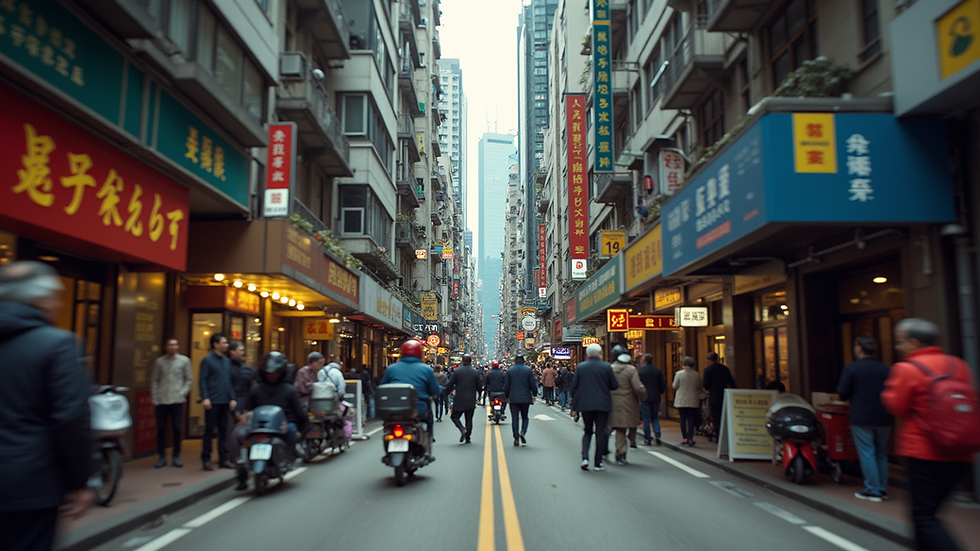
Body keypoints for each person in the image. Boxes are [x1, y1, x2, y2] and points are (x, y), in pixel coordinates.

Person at [0, 261, 93, 550]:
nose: (56, 303)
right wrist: (79, 482)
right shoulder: (56, 344)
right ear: (41, 299)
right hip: (30, 485)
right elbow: (72, 417)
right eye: (54, 296)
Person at [881, 318, 975, 550]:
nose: (898, 346)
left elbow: (897, 406)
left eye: (900, 342)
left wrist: (887, 393)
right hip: (960, 450)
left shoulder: (907, 368)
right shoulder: (958, 366)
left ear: (914, 342)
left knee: (923, 516)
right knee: (930, 513)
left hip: (923, 452)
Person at [235, 351, 310, 491]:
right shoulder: (256, 390)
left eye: (275, 372)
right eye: (269, 373)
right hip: (258, 427)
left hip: (283, 426)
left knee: (292, 430)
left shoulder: (290, 390)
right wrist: (243, 417)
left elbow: (299, 413)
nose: (272, 376)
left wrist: (303, 428)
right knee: (238, 434)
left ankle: (288, 457)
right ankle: (241, 468)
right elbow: (247, 408)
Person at [836, 336, 893, 503]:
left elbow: (843, 393)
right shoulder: (886, 369)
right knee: (881, 454)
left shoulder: (851, 369)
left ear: (859, 348)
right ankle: (882, 488)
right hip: (884, 416)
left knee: (867, 452)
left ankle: (873, 490)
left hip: (861, 417)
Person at [379, 340, 442, 443]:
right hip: (418, 409)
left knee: (388, 426)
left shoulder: (391, 369)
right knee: (429, 418)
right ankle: (429, 439)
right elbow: (434, 390)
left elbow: (382, 387)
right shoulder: (426, 369)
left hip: (393, 408)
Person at [569, 343, 618, 471]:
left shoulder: (581, 367)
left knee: (588, 431)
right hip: (603, 405)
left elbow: (574, 387)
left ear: (588, 354)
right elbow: (614, 385)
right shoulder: (606, 366)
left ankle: (585, 458)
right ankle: (597, 463)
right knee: (600, 433)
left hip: (585, 405)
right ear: (599, 353)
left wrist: (574, 406)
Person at [151, 337, 192, 468]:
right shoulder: (159, 362)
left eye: (175, 345)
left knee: (177, 429)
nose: (172, 347)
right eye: (170, 345)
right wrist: (155, 397)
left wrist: (183, 392)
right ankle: (162, 456)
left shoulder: (184, 360)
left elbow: (188, 378)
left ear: (178, 347)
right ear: (165, 347)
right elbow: (155, 380)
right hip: (162, 399)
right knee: (161, 428)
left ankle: (176, 456)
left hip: (177, 400)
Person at [199, 333, 236, 470]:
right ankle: (206, 459)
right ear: (215, 344)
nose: (226, 345)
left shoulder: (227, 361)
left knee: (223, 431)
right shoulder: (207, 360)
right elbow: (203, 379)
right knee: (209, 430)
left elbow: (229, 382)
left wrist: (232, 398)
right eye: (224, 342)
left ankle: (223, 458)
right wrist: (205, 397)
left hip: (225, 400)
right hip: (213, 400)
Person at [608, 345, 647, 465]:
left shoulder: (609, 368)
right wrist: (644, 396)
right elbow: (638, 387)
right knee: (628, 425)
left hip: (612, 403)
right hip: (629, 403)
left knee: (617, 428)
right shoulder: (631, 369)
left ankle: (617, 452)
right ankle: (629, 443)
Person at [444, 355, 482, 443]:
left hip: (459, 398)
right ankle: (468, 437)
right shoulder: (475, 372)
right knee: (469, 419)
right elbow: (479, 387)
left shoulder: (457, 372)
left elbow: (450, 383)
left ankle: (462, 429)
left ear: (462, 361)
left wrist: (448, 391)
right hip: (471, 399)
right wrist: (479, 396)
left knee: (454, 416)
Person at [227, 341, 254, 464]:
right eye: (240, 350)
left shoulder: (247, 369)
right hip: (229, 402)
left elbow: (251, 386)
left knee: (243, 429)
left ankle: (242, 455)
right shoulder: (226, 366)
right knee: (230, 430)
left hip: (245, 402)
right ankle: (230, 457)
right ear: (232, 352)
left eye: (243, 351)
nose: (242, 353)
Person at [702, 352, 736, 442]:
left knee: (715, 416)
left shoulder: (708, 370)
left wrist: (707, 389)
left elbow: (706, 384)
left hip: (713, 396)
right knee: (724, 416)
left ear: (709, 360)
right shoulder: (724, 369)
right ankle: (726, 436)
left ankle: (718, 436)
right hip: (724, 395)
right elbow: (732, 382)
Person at [504, 354, 536, 446]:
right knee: (525, 417)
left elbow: (506, 385)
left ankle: (516, 438)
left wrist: (506, 396)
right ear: (523, 360)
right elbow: (533, 384)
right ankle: (523, 432)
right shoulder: (528, 370)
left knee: (515, 418)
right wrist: (534, 394)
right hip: (526, 397)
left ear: (514, 360)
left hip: (513, 398)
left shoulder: (510, 370)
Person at [673, 356, 703, 446]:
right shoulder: (697, 375)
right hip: (693, 399)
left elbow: (674, 386)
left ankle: (685, 437)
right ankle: (690, 438)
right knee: (691, 419)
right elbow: (699, 386)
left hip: (681, 399)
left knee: (682, 419)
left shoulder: (679, 374)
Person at [637, 353, 666, 445]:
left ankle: (648, 438)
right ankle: (657, 434)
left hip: (645, 397)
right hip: (656, 397)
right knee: (655, 417)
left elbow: (638, 384)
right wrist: (659, 392)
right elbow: (662, 385)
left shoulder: (641, 371)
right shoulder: (657, 370)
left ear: (644, 360)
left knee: (646, 418)